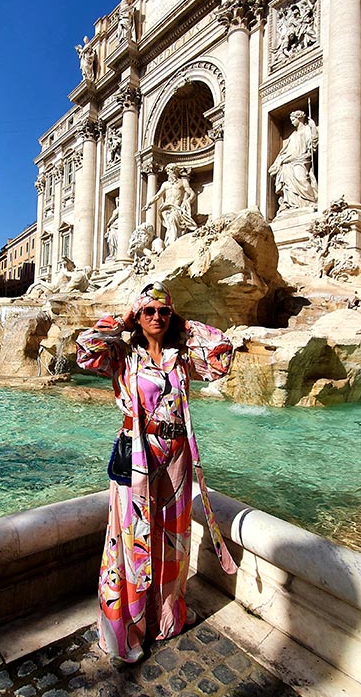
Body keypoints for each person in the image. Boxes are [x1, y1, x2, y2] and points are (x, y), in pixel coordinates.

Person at [76, 282, 236, 663]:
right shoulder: (122, 354)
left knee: (173, 544)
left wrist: (181, 322)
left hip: (177, 459)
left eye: (164, 312)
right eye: (149, 311)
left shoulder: (180, 358)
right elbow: (85, 348)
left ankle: (165, 619)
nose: (157, 318)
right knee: (132, 543)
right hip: (137, 457)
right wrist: (125, 318)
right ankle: (126, 629)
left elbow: (221, 356)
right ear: (138, 315)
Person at [269, 109, 319, 211]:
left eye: (293, 119)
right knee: (288, 183)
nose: (291, 122)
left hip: (301, 160)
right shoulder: (293, 135)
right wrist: (281, 160)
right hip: (289, 162)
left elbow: (313, 143)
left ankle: (309, 201)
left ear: (299, 118)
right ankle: (292, 204)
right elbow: (285, 151)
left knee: (301, 178)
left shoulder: (306, 130)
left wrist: (313, 127)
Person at [145, 165, 197, 248]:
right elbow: (157, 196)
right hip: (166, 208)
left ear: (176, 172)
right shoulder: (165, 184)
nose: (170, 173)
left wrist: (188, 200)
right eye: (168, 171)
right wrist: (149, 203)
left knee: (173, 220)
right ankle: (172, 243)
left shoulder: (182, 182)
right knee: (171, 223)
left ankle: (172, 242)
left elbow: (192, 194)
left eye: (172, 171)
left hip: (177, 208)